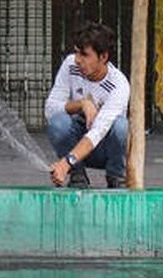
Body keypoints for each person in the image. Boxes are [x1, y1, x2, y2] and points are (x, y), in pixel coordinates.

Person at [45, 21, 130, 189]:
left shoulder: (118, 85)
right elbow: (50, 109)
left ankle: (115, 176)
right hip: (77, 147)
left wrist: (65, 163)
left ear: (103, 57)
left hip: (102, 149)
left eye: (84, 55)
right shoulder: (70, 65)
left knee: (121, 126)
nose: (77, 60)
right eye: (76, 52)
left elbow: (97, 133)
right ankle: (77, 175)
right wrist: (82, 104)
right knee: (57, 123)